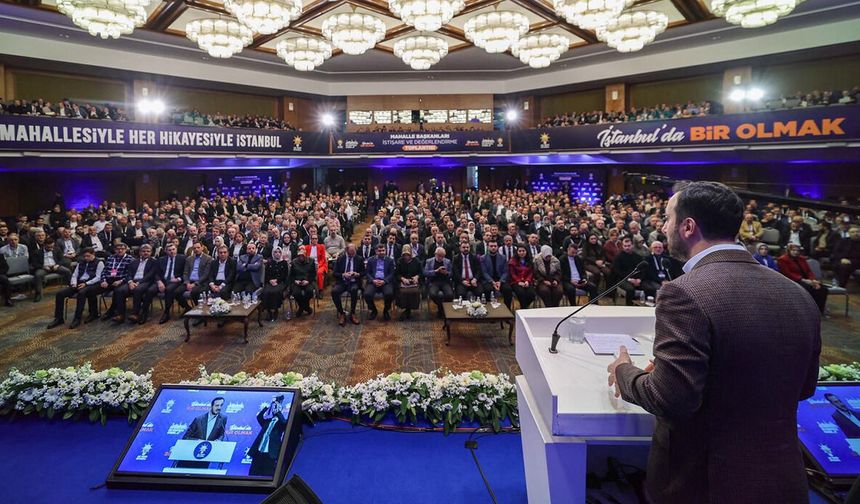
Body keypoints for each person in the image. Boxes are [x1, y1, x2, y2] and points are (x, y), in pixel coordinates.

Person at [607, 181, 820, 503]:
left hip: (705, 483)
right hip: (783, 479)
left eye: (667, 218)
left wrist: (624, 370)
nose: (663, 227)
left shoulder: (684, 292)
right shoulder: (797, 294)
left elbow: (670, 400)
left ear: (688, 226)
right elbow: (804, 387)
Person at [46, 248, 104, 329]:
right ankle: (58, 318)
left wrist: (86, 283)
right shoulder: (81, 262)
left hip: (91, 284)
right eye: (85, 256)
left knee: (81, 293)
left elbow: (98, 277)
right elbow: (75, 274)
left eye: (88, 256)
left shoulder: (99, 263)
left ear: (93, 254)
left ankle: (77, 318)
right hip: (79, 282)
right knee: (60, 294)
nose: (86, 258)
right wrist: (74, 283)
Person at [778, 243, 829, 314]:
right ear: (789, 250)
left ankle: (819, 310)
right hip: (793, 280)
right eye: (793, 250)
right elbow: (788, 274)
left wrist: (813, 280)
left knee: (823, 289)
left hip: (807, 280)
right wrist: (803, 280)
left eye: (797, 250)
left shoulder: (802, 258)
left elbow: (808, 271)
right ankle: (808, 310)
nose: (796, 252)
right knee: (809, 288)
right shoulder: (782, 259)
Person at [248, 395, 291, 477]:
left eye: (276, 408)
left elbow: (284, 423)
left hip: (270, 455)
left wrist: (278, 412)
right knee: (252, 474)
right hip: (258, 453)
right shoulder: (267, 422)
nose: (274, 410)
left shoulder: (282, 423)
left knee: (267, 476)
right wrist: (267, 407)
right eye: (274, 408)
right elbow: (259, 417)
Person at [118, 244, 158, 324]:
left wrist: (138, 283)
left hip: (145, 281)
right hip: (133, 281)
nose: (145, 253)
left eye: (148, 251)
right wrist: (130, 282)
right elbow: (128, 274)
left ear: (151, 252)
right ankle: (120, 315)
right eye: (143, 251)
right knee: (120, 290)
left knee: (137, 290)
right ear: (140, 252)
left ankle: (135, 314)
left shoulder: (154, 262)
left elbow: (150, 275)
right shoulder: (133, 261)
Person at [96, 242, 134, 322]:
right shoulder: (110, 257)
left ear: (126, 249)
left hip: (122, 280)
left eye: (122, 249)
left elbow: (130, 274)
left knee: (118, 291)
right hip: (109, 280)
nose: (120, 250)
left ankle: (112, 311)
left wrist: (121, 281)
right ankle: (93, 313)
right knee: (92, 289)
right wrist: (103, 280)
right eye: (118, 249)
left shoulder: (130, 259)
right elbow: (104, 271)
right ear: (115, 250)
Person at [30, 235, 72, 303]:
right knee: (38, 275)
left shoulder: (57, 249)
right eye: (49, 247)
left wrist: (57, 265)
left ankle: (71, 288)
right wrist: (43, 267)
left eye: (52, 246)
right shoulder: (37, 252)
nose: (51, 248)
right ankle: (38, 293)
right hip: (44, 267)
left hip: (55, 266)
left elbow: (62, 259)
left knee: (67, 271)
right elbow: (34, 263)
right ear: (44, 245)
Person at [331, 243, 364, 326]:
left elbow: (364, 272)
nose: (352, 255)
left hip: (354, 281)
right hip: (342, 281)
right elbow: (335, 273)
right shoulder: (340, 259)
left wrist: (357, 274)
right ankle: (341, 313)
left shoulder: (359, 259)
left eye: (354, 252)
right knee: (334, 291)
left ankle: (352, 313)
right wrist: (343, 274)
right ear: (346, 251)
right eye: (350, 253)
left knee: (354, 290)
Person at [155, 243, 186, 324]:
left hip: (176, 280)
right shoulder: (161, 259)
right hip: (163, 280)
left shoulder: (182, 258)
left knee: (169, 289)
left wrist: (179, 279)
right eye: (169, 250)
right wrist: (159, 281)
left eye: (173, 249)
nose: (172, 251)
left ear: (176, 249)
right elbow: (156, 273)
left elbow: (186, 272)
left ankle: (166, 312)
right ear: (166, 251)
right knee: (149, 289)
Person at [363, 243, 395, 321]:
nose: (381, 252)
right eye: (379, 251)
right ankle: (374, 310)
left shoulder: (390, 260)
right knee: (367, 294)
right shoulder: (371, 260)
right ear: (376, 251)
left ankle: (386, 310)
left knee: (389, 294)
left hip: (385, 281)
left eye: (383, 250)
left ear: (386, 251)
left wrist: (384, 281)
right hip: (374, 281)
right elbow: (367, 273)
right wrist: (373, 280)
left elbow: (392, 274)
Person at [179, 241, 213, 312]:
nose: (196, 249)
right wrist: (187, 283)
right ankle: (187, 308)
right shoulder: (189, 259)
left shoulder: (208, 259)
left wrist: (194, 284)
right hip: (189, 281)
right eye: (194, 248)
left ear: (202, 248)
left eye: (198, 247)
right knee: (177, 292)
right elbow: (185, 273)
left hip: (201, 282)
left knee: (194, 292)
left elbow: (205, 275)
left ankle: (199, 311)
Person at [611, 236, 645, 305]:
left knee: (648, 287)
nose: (627, 247)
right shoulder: (618, 257)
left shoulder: (638, 257)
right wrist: (630, 279)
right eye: (625, 246)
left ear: (632, 245)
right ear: (622, 246)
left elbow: (643, 270)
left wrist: (639, 279)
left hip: (637, 279)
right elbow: (617, 272)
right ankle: (629, 307)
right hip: (623, 279)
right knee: (630, 289)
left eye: (629, 246)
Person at [480, 241, 512, 309]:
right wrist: (492, 282)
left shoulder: (503, 257)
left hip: (500, 280)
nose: (493, 248)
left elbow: (505, 272)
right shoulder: (483, 258)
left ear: (497, 247)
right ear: (488, 247)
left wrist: (500, 281)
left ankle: (507, 310)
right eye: (491, 246)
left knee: (508, 289)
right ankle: (489, 309)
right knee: (488, 289)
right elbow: (484, 272)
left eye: (495, 246)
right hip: (488, 280)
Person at [424, 246, 453, 318]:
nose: (441, 258)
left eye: (443, 256)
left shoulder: (447, 261)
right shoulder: (429, 261)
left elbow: (451, 273)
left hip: (444, 282)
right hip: (433, 282)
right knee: (433, 294)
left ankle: (442, 310)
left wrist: (446, 273)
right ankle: (442, 309)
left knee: (450, 295)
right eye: (440, 256)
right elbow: (425, 273)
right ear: (435, 254)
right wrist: (436, 271)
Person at [262, 246, 289, 322]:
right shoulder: (270, 262)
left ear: (281, 253)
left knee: (275, 292)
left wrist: (277, 280)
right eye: (275, 252)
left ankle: (275, 310)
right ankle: (269, 311)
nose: (277, 254)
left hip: (280, 282)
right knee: (266, 292)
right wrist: (270, 280)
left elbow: (285, 275)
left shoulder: (284, 263)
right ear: (273, 253)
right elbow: (266, 274)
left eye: (279, 252)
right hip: (270, 282)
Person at [395, 245, 422, 320]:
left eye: (408, 255)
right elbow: (397, 274)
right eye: (404, 255)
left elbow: (421, 272)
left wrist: (417, 277)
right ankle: (406, 309)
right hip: (403, 281)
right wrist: (402, 279)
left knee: (414, 292)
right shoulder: (400, 261)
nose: (406, 257)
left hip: (414, 281)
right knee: (402, 292)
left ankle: (410, 309)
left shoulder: (416, 261)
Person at [289, 247, 315, 317]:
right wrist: (295, 281)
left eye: (302, 255)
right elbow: (291, 275)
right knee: (296, 293)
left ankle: (303, 307)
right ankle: (305, 307)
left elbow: (313, 274)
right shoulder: (294, 262)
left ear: (305, 254)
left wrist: (308, 281)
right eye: (299, 255)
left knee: (309, 291)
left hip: (307, 281)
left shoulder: (311, 261)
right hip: (297, 281)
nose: (301, 257)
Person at [508, 244, 536, 309]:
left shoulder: (529, 260)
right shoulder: (512, 261)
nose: (522, 253)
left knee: (531, 294)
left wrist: (527, 281)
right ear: (517, 252)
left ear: (526, 251)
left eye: (523, 251)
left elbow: (531, 273)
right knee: (521, 293)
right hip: (516, 282)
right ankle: (524, 308)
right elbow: (512, 274)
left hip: (527, 281)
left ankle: (525, 307)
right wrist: (519, 282)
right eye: (520, 251)